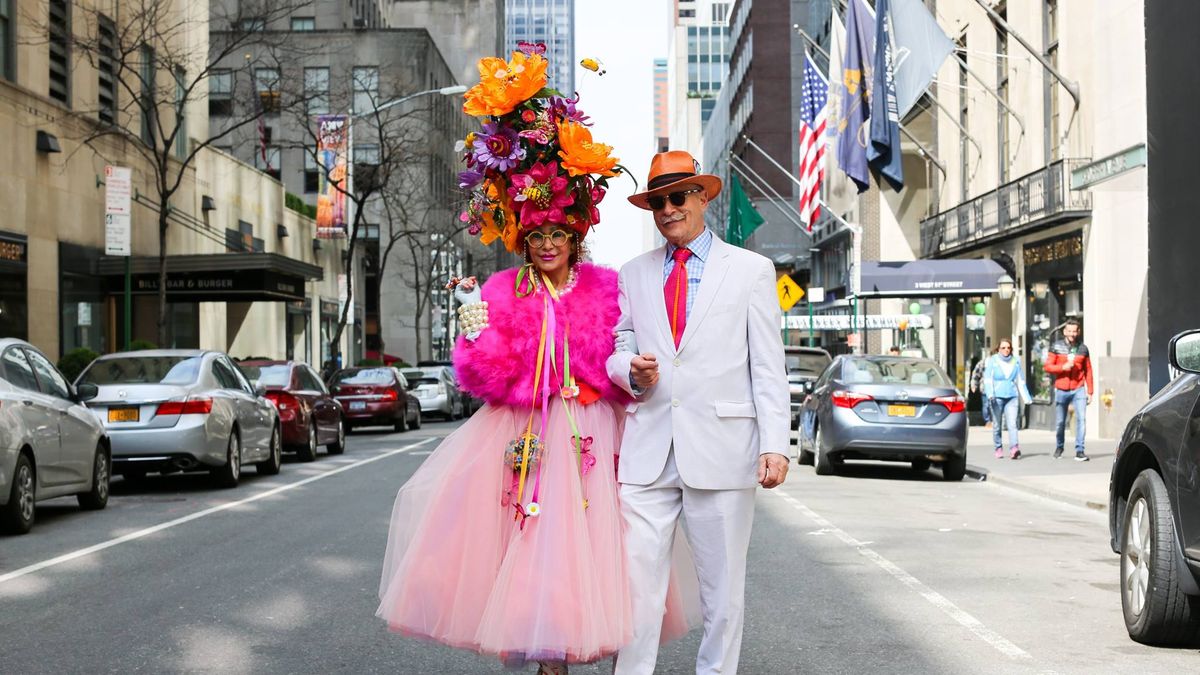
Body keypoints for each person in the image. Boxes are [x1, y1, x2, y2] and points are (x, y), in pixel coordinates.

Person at [376, 46, 694, 675]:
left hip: (595, 433)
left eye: (558, 236)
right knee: (528, 547)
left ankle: (599, 645)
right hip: (526, 432)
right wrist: (474, 330)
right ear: (524, 241)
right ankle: (549, 660)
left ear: (575, 238)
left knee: (604, 551)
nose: (548, 245)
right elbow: (486, 378)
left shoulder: (607, 287)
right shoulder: (504, 291)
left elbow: (622, 356)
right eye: (538, 237)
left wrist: (623, 377)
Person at [606, 150, 791, 674]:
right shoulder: (633, 273)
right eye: (657, 202)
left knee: (722, 595)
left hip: (723, 449)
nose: (667, 209)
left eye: (677, 197)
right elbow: (619, 345)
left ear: (702, 197)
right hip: (647, 451)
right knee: (636, 589)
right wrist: (629, 371)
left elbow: (768, 366)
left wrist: (775, 445)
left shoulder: (751, 270)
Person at [1043, 317, 1093, 461]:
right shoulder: (1056, 346)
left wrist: (1090, 391)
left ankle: (1080, 450)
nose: (1072, 334)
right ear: (1065, 332)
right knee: (1060, 422)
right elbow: (1047, 366)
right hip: (1062, 389)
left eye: (1074, 331)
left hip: (1078, 388)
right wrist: (1062, 367)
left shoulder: (1083, 349)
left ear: (1078, 332)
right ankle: (1059, 447)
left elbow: (1088, 370)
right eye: (1069, 331)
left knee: (1081, 419)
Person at [982, 338, 1032, 459]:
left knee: (1012, 424)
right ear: (998, 349)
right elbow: (988, 379)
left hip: (1012, 397)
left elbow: (1020, 380)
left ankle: (1014, 448)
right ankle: (998, 448)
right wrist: (990, 394)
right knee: (997, 425)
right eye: (1003, 348)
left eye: (1008, 348)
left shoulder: (1015, 361)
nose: (1006, 350)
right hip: (996, 397)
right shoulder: (993, 360)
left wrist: (1026, 397)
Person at [970, 351, 992, 427]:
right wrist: (974, 385)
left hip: (996, 388)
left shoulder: (999, 363)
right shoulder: (983, 363)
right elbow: (975, 375)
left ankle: (994, 420)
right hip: (985, 387)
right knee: (986, 405)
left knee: (993, 405)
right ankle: (988, 421)